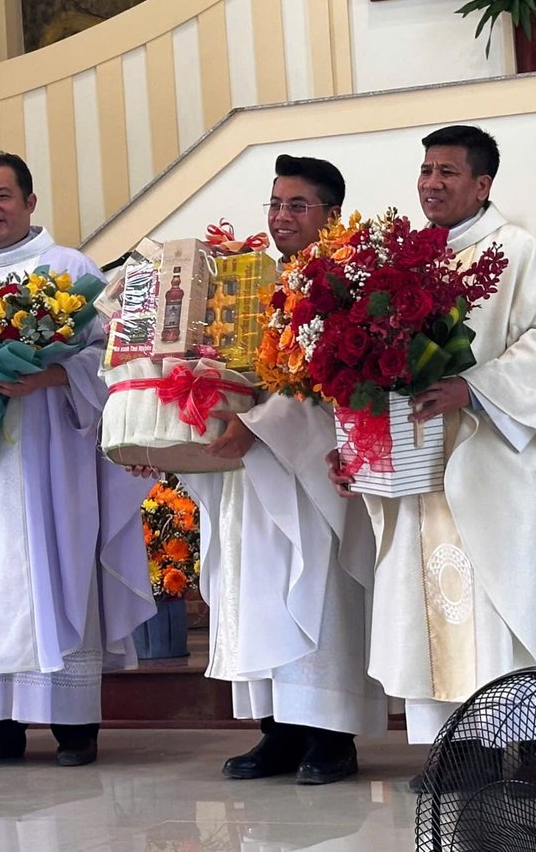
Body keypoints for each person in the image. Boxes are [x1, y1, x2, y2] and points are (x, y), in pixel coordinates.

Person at [333, 125, 536, 753]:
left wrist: (473, 388)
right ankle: (459, 751)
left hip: (497, 462)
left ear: (483, 184)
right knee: (428, 608)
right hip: (419, 467)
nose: (431, 183)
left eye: (448, 172)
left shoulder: (520, 252)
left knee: (514, 599)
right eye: (426, 170)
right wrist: (358, 443)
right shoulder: (400, 263)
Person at [0, 152, 154, 768]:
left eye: (1, 196)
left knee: (58, 568)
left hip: (52, 457)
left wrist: (51, 376)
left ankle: (74, 723)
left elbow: (110, 354)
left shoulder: (68, 269)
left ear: (29, 202)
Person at [182, 154, 386, 785]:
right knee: (261, 592)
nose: (281, 217)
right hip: (252, 472)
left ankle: (331, 735)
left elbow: (334, 385)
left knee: (319, 591)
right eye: (275, 204)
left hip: (312, 467)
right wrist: (177, 434)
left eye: (297, 205)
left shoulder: (347, 284)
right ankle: (279, 730)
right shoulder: (253, 281)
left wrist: (259, 423)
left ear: (332, 214)